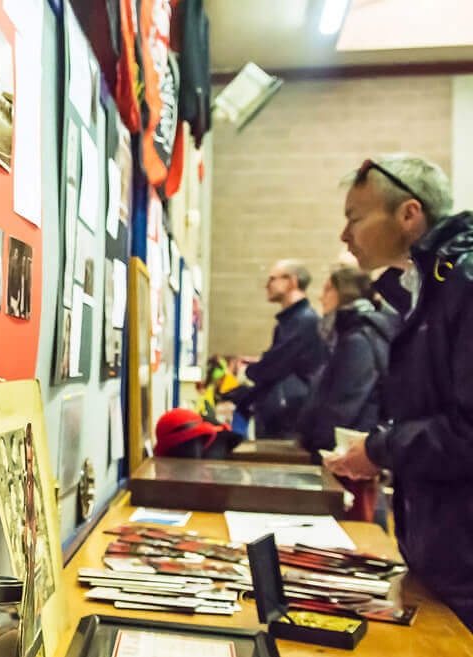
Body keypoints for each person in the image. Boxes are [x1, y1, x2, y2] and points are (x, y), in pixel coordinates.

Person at [324, 154, 473, 632]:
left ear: (409, 214)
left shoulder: (463, 283)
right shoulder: (423, 289)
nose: (345, 236)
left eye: (354, 218)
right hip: (444, 555)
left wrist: (381, 448)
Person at [296, 267, 395, 522]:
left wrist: (317, 445)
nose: (321, 296)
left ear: (344, 293)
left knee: (363, 526)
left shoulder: (359, 337)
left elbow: (344, 403)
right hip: (349, 453)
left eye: (328, 288)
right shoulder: (351, 333)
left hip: (351, 455)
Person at [231, 260, 327, 438]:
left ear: (292, 282)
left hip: (288, 414)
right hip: (282, 409)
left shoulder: (304, 320)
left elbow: (276, 364)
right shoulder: (292, 321)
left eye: (272, 279)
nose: (266, 285)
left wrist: (248, 371)